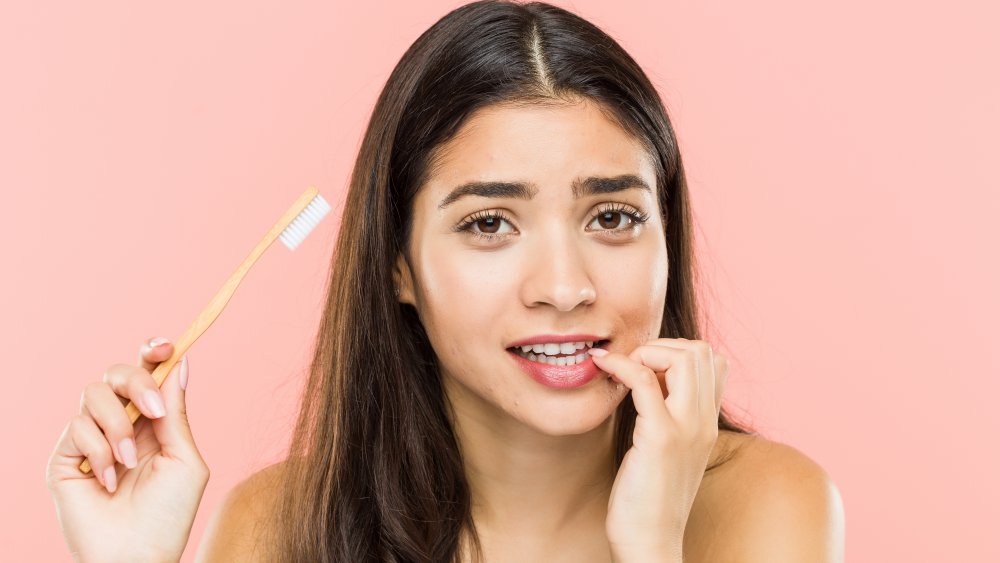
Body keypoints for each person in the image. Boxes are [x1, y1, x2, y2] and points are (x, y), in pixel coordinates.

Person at [46, 1, 845, 561]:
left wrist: (649, 545)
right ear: (398, 262)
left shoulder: (767, 508)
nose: (564, 287)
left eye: (612, 217)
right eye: (489, 223)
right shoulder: (276, 529)